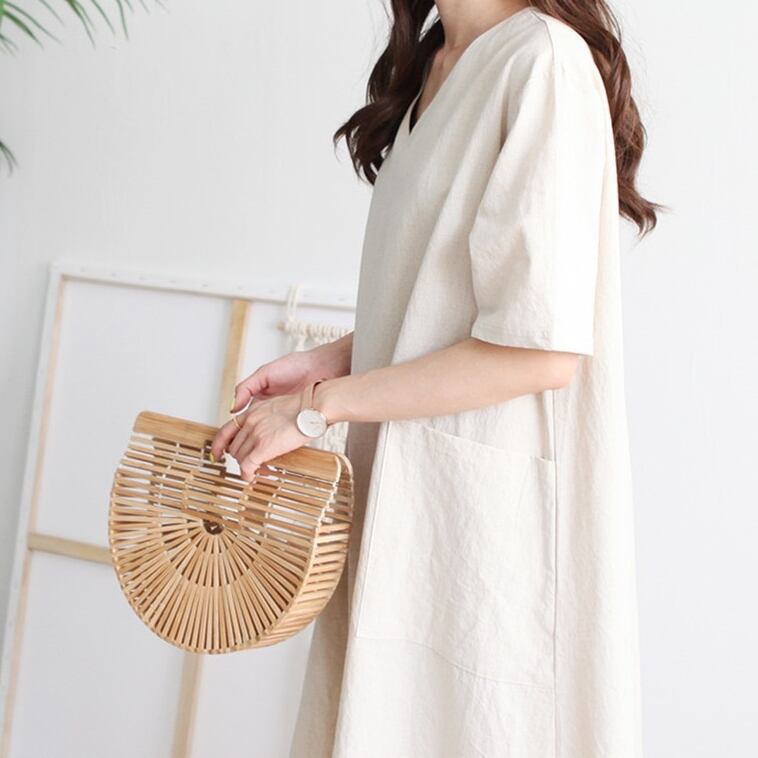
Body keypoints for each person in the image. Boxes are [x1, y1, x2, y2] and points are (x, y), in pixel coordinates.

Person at [211, 1, 663, 755]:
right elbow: (448, 296)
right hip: (405, 495)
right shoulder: (435, 62)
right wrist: (338, 357)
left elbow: (539, 350)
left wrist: (316, 409)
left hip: (486, 528)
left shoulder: (541, 63)